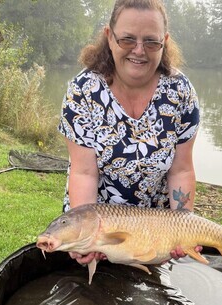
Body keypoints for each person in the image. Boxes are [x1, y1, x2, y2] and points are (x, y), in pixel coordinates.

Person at [58, 0, 200, 266]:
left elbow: (181, 170)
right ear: (109, 37)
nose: (139, 51)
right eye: (127, 39)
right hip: (100, 228)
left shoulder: (181, 92)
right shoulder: (82, 92)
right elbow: (84, 172)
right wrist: (87, 238)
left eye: (151, 42)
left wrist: (182, 225)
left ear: (164, 42)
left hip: (156, 233)